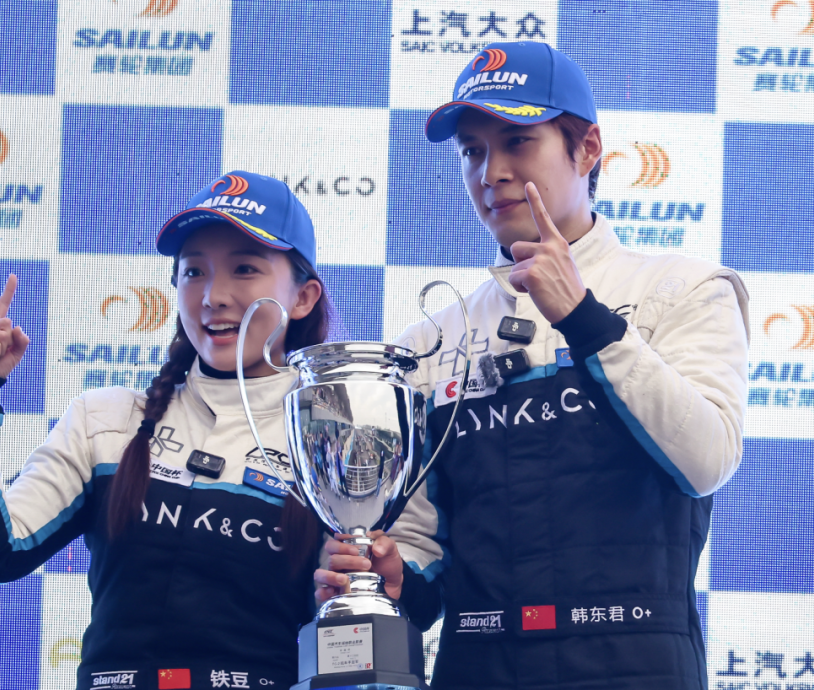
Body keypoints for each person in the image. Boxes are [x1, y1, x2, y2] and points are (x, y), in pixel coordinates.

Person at [315, 42, 749, 690]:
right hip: (478, 668)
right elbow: (423, 551)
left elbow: (706, 459)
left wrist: (582, 316)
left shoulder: (684, 288)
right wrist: (393, 577)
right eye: (472, 151)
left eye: (517, 142)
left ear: (588, 148)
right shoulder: (430, 341)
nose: (491, 172)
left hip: (634, 667)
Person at [0, 171, 332, 690]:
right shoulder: (106, 419)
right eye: (194, 272)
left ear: (303, 297)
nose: (214, 295)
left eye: (244, 269)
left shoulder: (334, 446)